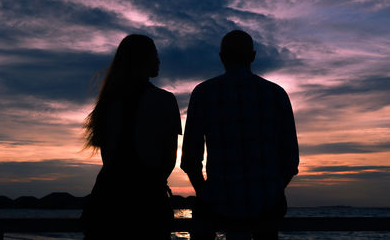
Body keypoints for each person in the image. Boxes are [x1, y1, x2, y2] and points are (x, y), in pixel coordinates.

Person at [181, 30, 299, 240]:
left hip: (217, 202)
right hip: (267, 206)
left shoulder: (203, 93)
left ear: (221, 57)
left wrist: (205, 193)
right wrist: (272, 191)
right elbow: (290, 160)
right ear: (252, 56)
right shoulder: (276, 94)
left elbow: (190, 158)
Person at [80, 34, 181, 239]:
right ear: (143, 60)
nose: (158, 61)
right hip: (148, 203)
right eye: (155, 56)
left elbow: (108, 157)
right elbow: (169, 160)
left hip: (106, 202)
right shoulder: (165, 101)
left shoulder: (108, 102)